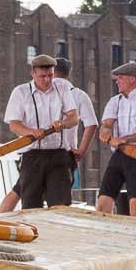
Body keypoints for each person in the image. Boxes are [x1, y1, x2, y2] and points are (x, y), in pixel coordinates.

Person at [5, 54, 81, 210]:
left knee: (60, 206)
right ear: (33, 73)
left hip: (58, 156)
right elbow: (14, 125)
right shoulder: (20, 92)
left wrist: (62, 123)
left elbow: (74, 118)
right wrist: (31, 132)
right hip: (32, 158)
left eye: (50, 75)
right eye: (42, 76)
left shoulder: (62, 88)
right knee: (31, 207)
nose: (47, 80)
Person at [96, 61, 136, 218]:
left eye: (120, 77)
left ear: (132, 79)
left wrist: (126, 139)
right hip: (119, 154)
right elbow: (105, 125)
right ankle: (105, 237)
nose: (117, 80)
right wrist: (105, 132)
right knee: (103, 201)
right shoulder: (115, 101)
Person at [56, 57, 97, 196]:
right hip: (67, 153)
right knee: (63, 198)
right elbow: (91, 124)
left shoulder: (40, 92)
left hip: (38, 153)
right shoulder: (79, 94)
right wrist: (81, 151)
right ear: (69, 73)